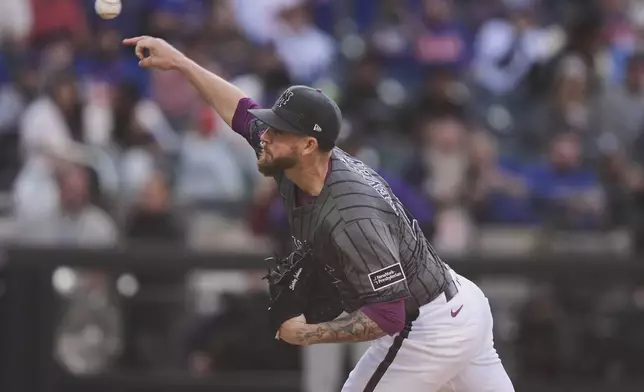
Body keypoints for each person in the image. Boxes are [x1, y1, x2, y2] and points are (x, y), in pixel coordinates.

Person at [123, 35, 515, 392]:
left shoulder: (351, 213)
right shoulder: (302, 159)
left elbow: (389, 315)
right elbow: (241, 112)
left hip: (426, 325)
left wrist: (309, 333)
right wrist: (181, 62)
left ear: (308, 144)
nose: (266, 134)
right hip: (457, 301)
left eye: (278, 131)